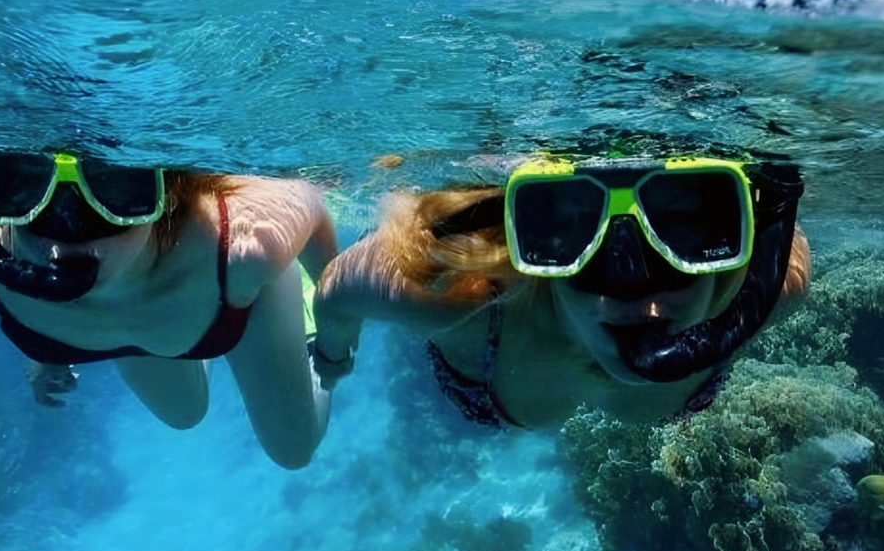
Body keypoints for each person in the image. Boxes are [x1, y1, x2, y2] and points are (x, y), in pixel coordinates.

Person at [310, 152, 810, 430]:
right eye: (575, 231)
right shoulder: (457, 298)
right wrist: (331, 356)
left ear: (734, 235)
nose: (646, 304)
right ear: (536, 244)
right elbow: (333, 288)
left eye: (684, 228)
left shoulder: (768, 289)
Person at [0, 149, 339, 469]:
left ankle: (286, 314)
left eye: (115, 185)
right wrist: (43, 347)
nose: (66, 231)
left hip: (238, 289)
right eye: (20, 185)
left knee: (293, 449)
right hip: (169, 311)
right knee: (184, 415)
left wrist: (338, 333)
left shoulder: (247, 245)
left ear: (168, 192)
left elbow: (311, 204)